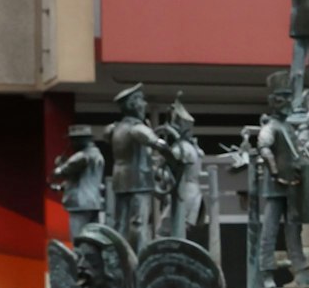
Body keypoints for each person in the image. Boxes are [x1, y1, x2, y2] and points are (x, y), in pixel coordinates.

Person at [253, 83, 309, 287]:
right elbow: (264, 148)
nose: (290, 104)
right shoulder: (271, 127)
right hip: (276, 185)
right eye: (285, 100)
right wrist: (275, 172)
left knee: (294, 229)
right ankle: (266, 272)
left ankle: (301, 271)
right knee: (270, 229)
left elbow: (295, 153)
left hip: (292, 184)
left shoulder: (288, 126)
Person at [107, 85, 172, 251]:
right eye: (141, 100)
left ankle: (118, 255)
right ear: (133, 105)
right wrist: (173, 151)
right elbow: (159, 144)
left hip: (119, 180)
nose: (144, 104)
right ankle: (139, 258)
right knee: (139, 223)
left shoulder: (114, 129)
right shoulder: (138, 128)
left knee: (120, 223)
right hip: (139, 182)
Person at [157, 96, 205, 241]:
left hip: (184, 192)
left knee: (165, 232)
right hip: (191, 191)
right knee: (175, 233)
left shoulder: (181, 149)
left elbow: (169, 174)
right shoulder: (193, 148)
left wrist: (158, 170)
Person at [51, 125, 105, 240]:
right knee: (93, 239)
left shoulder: (81, 156)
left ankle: (79, 257)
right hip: (94, 203)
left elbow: (60, 172)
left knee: (78, 238)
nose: (71, 143)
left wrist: (59, 166)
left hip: (80, 204)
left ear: (80, 140)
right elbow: (80, 179)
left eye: (73, 140)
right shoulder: (98, 155)